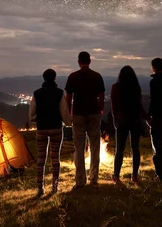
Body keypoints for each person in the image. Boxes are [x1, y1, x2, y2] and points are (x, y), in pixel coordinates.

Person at [65, 51, 105, 188]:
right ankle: (93, 178)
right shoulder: (97, 76)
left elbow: (68, 97)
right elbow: (101, 95)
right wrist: (100, 109)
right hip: (94, 113)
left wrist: (69, 113)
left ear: (78, 62)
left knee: (79, 147)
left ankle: (80, 180)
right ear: (90, 61)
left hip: (78, 114)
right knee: (95, 146)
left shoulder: (73, 77)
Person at [29, 68, 72, 196]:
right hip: (56, 128)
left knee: (41, 158)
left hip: (41, 128)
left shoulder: (37, 94)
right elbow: (64, 112)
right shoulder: (59, 93)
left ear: (43, 78)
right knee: (55, 158)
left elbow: (32, 115)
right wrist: (68, 123)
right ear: (54, 78)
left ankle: (40, 187)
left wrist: (38, 120)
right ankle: (55, 186)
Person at [111, 65, 147, 184]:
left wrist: (115, 120)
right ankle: (134, 176)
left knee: (119, 149)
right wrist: (147, 118)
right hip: (135, 120)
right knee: (135, 148)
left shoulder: (115, 87)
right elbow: (139, 106)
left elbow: (114, 107)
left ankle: (116, 176)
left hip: (122, 120)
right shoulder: (136, 88)